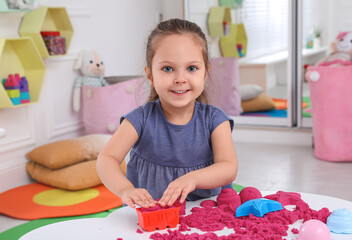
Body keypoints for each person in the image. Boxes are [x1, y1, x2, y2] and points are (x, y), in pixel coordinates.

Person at [96, 18, 238, 209]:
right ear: (150, 75)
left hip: (206, 214)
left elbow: (228, 167)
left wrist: (193, 178)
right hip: (153, 217)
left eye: (192, 68)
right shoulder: (139, 120)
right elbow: (107, 159)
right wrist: (125, 190)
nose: (180, 78)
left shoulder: (215, 120)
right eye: (168, 68)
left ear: (205, 73)